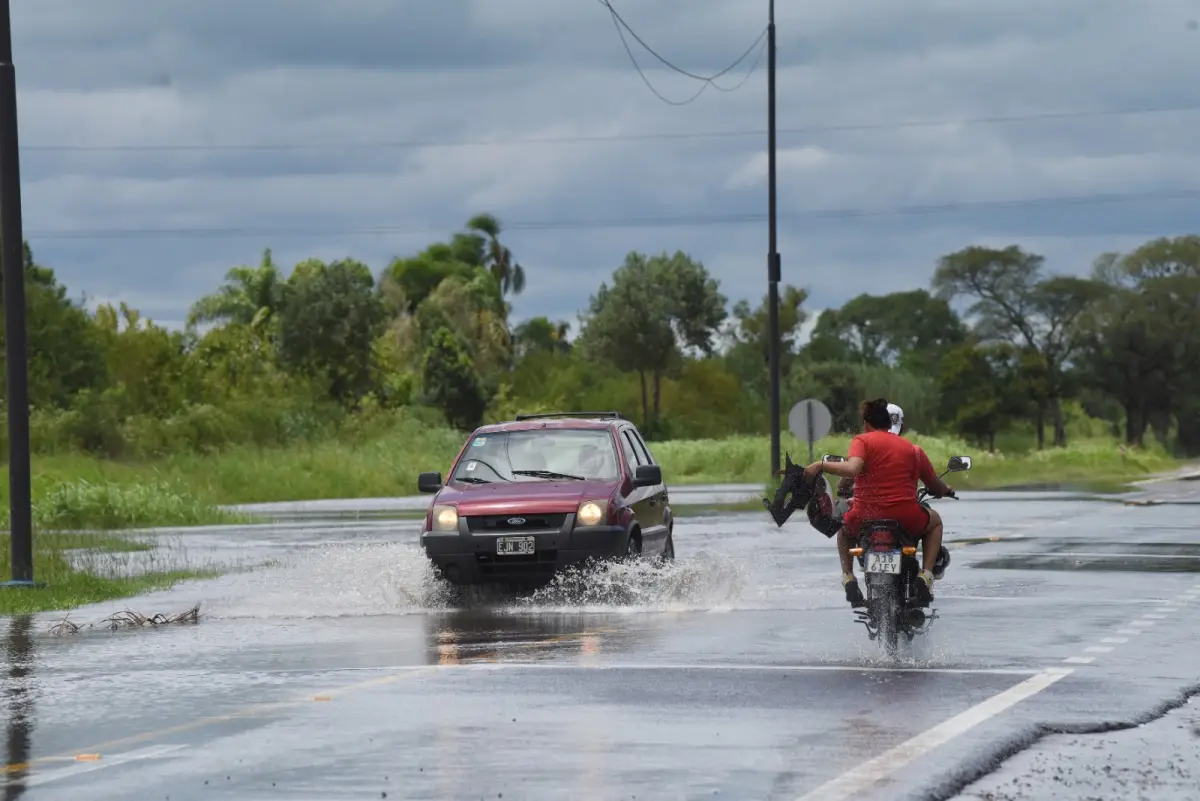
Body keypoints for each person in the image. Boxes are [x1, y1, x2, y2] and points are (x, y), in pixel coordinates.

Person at [803, 398, 953, 608]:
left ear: (866, 423)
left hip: (865, 515)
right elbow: (934, 484)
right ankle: (926, 575)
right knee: (935, 522)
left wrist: (820, 465)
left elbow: (853, 468)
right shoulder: (913, 450)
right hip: (905, 517)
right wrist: (946, 490)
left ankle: (848, 577)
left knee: (844, 529)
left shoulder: (862, 441)